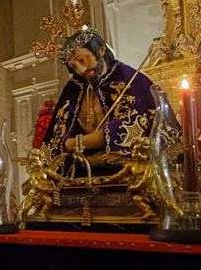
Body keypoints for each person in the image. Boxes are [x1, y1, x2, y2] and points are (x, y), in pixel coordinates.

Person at [40, 19, 156, 171]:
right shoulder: (74, 88)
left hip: (124, 168)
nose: (81, 70)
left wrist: (75, 143)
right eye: (73, 66)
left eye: (82, 60)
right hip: (81, 170)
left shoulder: (130, 79)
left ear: (100, 50)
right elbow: (56, 142)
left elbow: (132, 129)